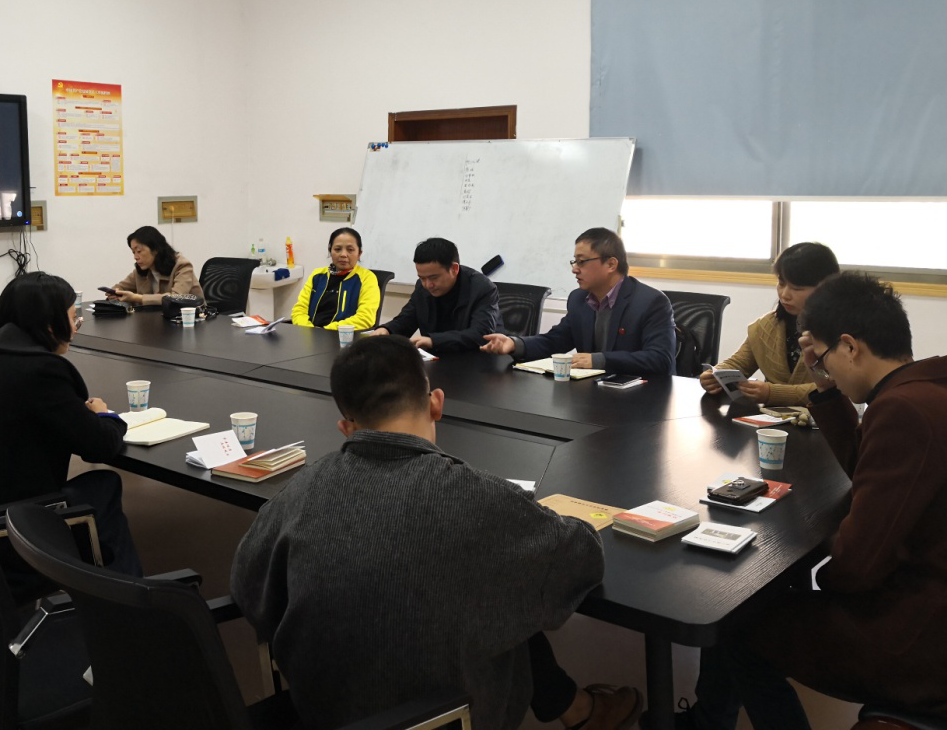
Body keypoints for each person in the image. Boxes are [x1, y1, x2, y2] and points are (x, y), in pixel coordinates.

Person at [231, 336, 642, 730]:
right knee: (509, 583)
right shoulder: (480, 498)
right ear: (436, 403)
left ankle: (578, 708)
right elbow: (582, 558)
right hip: (446, 718)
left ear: (345, 427)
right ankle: (582, 711)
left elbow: (247, 587)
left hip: (321, 711)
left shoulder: (299, 491)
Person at [662, 273, 947, 729]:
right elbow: (868, 470)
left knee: (737, 622)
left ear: (849, 346)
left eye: (825, 358)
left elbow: (854, 569)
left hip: (930, 641)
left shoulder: (903, 411)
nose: (824, 369)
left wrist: (807, 573)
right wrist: (826, 390)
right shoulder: (945, 386)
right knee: (772, 602)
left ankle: (710, 722)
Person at [0, 272, 141, 575]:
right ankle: (127, 592)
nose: (74, 329)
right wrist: (105, 416)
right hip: (12, 524)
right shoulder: (43, 371)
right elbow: (99, 446)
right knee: (103, 485)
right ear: (49, 325)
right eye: (73, 319)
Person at [481, 227, 675, 375]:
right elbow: (554, 341)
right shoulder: (579, 299)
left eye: (582, 261)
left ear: (611, 264)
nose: (574, 269)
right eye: (574, 261)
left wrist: (599, 360)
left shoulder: (651, 302)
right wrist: (514, 344)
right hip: (593, 396)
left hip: (641, 399)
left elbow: (660, 359)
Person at [699, 242, 838, 405]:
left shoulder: (841, 330)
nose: (784, 295)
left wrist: (772, 393)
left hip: (824, 417)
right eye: (781, 283)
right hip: (770, 418)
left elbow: (835, 386)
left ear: (825, 287)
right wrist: (715, 375)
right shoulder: (767, 325)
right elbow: (739, 363)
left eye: (797, 288)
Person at [372, 236, 501, 353]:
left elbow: (480, 335)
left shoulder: (482, 288)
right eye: (422, 278)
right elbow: (407, 319)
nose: (428, 285)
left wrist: (433, 341)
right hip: (436, 358)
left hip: (473, 360)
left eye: (433, 278)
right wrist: (387, 330)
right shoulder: (422, 287)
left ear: (454, 269)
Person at [290, 227, 380, 331]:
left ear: (359, 253)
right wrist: (310, 331)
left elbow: (365, 318)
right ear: (330, 251)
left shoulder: (367, 278)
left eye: (350, 250)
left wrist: (326, 331)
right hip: (310, 334)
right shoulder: (317, 275)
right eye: (337, 249)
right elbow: (299, 310)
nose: (343, 254)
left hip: (343, 337)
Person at [107, 226, 203, 307]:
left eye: (139, 251)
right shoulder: (141, 269)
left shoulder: (182, 266)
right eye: (133, 252)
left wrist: (137, 298)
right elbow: (120, 287)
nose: (135, 257)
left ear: (155, 249)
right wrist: (115, 293)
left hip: (191, 319)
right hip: (156, 319)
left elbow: (176, 298)